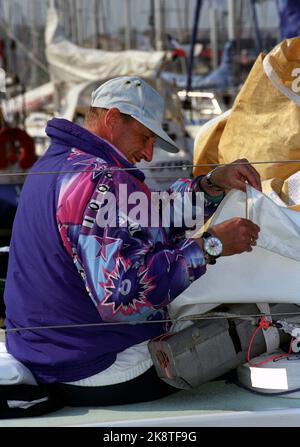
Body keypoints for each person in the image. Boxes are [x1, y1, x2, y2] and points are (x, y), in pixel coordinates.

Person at [4, 76, 261, 407]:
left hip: (43, 356)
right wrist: (211, 246)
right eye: (145, 137)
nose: (148, 153)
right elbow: (122, 298)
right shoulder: (101, 179)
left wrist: (211, 184)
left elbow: (147, 218)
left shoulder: (57, 164)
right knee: (256, 328)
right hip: (98, 369)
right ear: (112, 119)